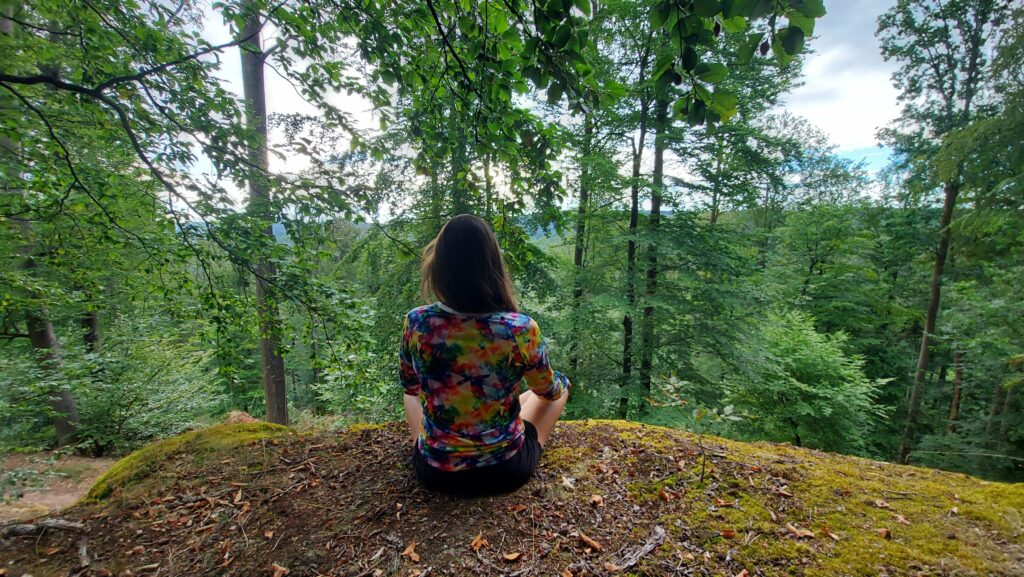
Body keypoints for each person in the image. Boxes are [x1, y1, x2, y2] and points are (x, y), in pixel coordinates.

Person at [400, 214, 570, 495]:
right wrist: (559, 382)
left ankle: (428, 448)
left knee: (411, 395)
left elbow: (410, 388)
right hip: (504, 470)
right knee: (559, 388)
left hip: (434, 472)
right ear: (492, 266)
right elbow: (549, 392)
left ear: (439, 266)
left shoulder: (417, 322)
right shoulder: (518, 328)